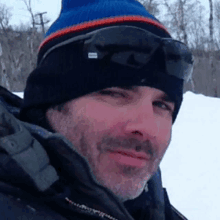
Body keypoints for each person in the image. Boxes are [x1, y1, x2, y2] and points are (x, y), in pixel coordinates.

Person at [0, 0, 193, 219]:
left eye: (161, 105)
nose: (147, 128)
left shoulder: (154, 208)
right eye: (115, 94)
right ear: (48, 103)